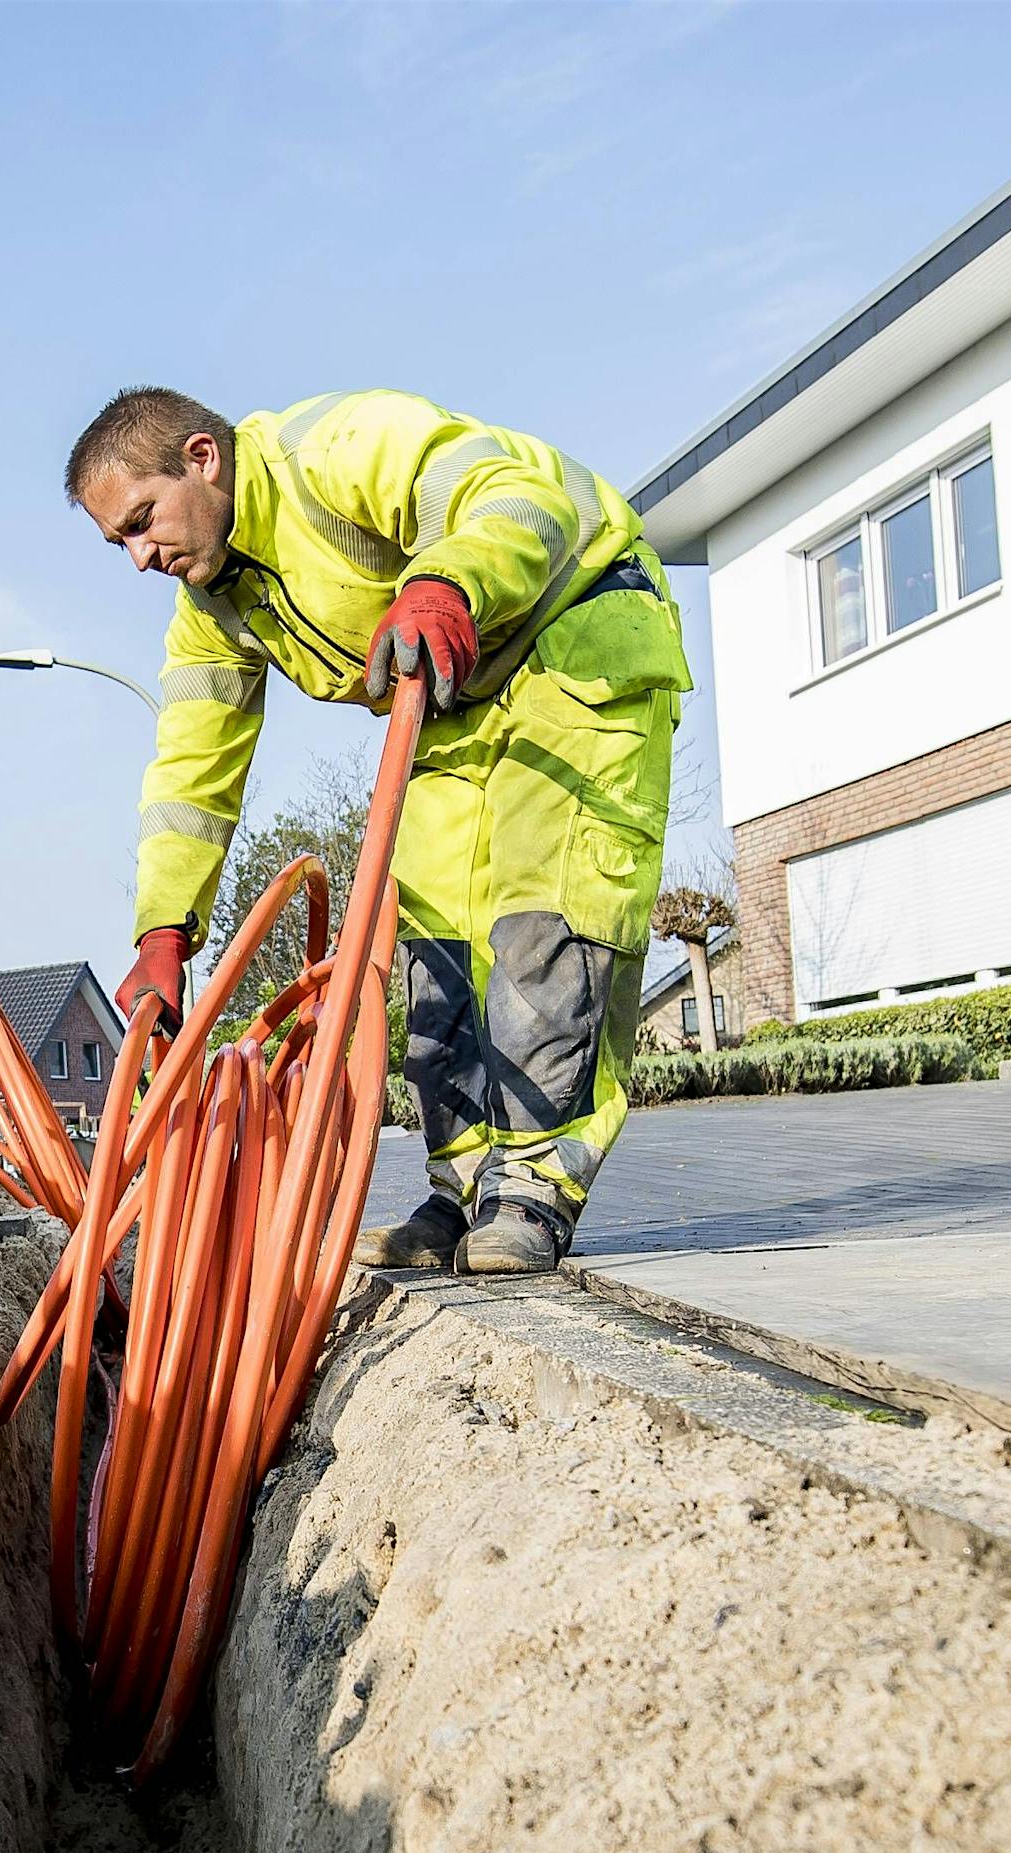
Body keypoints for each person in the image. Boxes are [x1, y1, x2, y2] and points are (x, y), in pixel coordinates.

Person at [67, 387, 691, 1275]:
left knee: (536, 923)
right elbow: (190, 773)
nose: (138, 558)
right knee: (431, 947)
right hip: (453, 697)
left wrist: (447, 582)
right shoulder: (214, 608)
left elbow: (520, 498)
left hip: (572, 640)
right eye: (117, 542)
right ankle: (463, 1185)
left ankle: (533, 1189)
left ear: (201, 459)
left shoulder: (340, 448)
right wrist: (164, 927)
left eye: (141, 521)